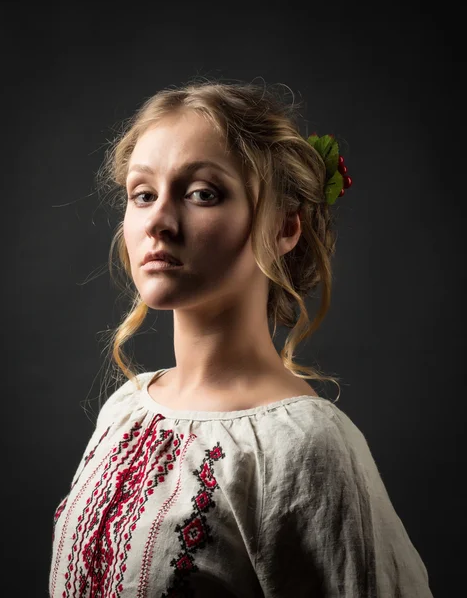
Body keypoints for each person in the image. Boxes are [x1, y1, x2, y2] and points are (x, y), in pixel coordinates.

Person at [49, 79, 433, 597]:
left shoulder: (305, 448)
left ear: (283, 227)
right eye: (143, 194)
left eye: (202, 193)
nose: (158, 221)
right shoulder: (126, 408)